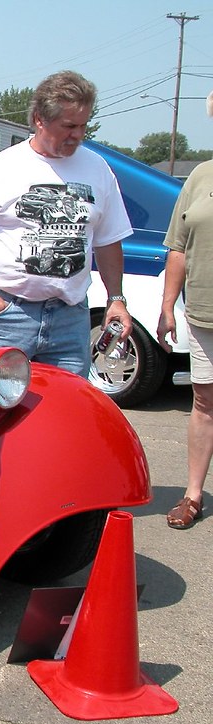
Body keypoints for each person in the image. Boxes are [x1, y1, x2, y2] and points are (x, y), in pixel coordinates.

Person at [0, 70, 133, 378]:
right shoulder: (0, 169)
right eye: (69, 126)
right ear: (39, 119)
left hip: (70, 319)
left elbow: (109, 240)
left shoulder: (97, 169)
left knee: (66, 414)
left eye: (83, 126)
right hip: (8, 316)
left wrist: (116, 300)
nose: (78, 135)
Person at [156, 92, 213, 530]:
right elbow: (178, 247)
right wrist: (167, 307)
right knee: (204, 402)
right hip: (203, 315)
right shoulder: (200, 175)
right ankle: (193, 495)